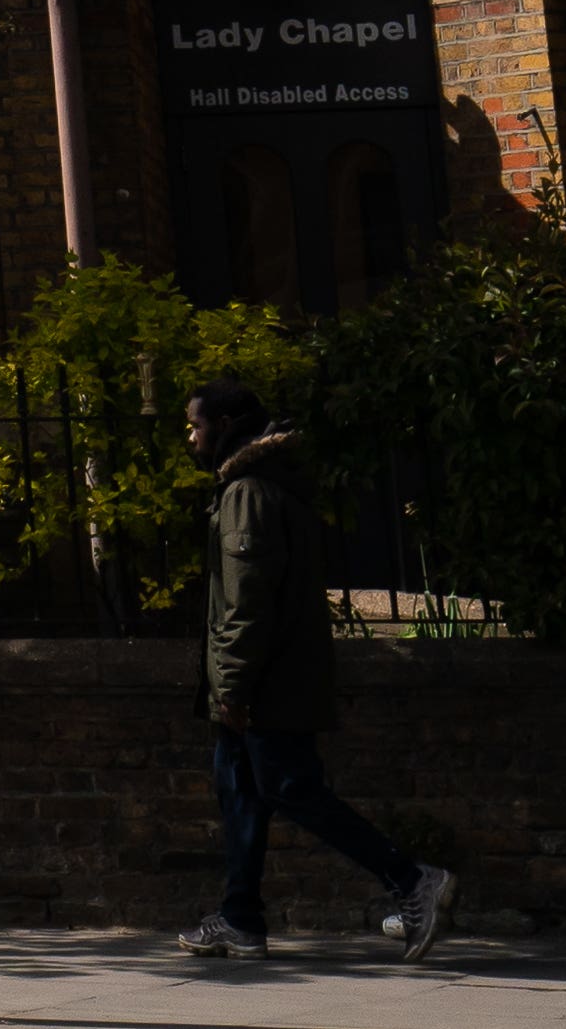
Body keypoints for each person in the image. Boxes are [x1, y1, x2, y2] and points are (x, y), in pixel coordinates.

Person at [182, 381, 450, 966]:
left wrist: (232, 686)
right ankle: (240, 919)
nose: (190, 435)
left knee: (291, 791)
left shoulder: (247, 493)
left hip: (264, 683)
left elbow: (245, 601)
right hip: (264, 677)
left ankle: (411, 880)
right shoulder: (262, 484)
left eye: (196, 424)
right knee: (242, 799)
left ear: (225, 424)